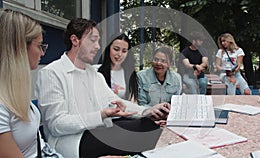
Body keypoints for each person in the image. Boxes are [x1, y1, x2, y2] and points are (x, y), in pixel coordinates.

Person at [35, 18, 170, 158]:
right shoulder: (52, 73)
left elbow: (116, 102)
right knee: (145, 134)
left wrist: (148, 111)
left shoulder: (94, 74)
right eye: (93, 40)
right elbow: (56, 125)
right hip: (72, 142)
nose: (98, 47)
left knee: (148, 124)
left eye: (98, 41)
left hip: (98, 132)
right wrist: (101, 115)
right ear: (75, 40)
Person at [0, 9, 62, 158]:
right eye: (40, 45)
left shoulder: (13, 91)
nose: (42, 53)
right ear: (19, 48)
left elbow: (41, 147)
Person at [98, 33, 137, 102]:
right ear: (108, 48)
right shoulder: (96, 71)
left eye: (124, 51)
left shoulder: (130, 73)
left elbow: (133, 102)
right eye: (116, 49)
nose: (119, 54)